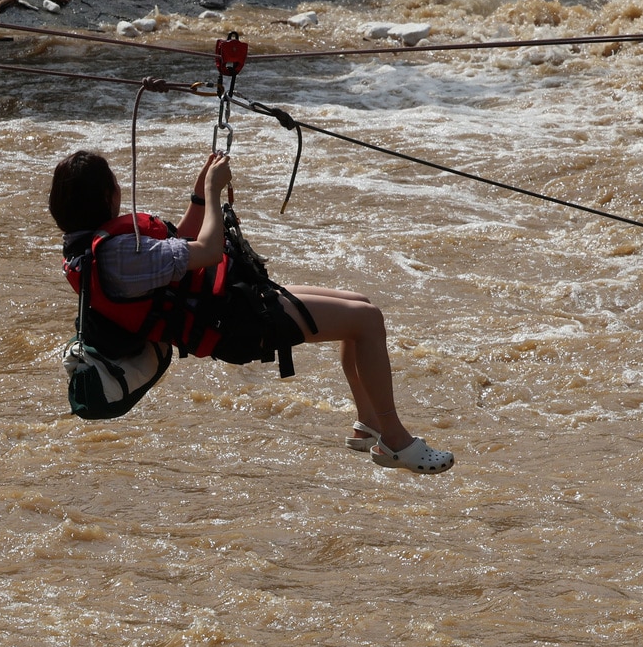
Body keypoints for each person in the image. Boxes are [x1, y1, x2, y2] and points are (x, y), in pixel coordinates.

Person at [47, 149, 454, 474]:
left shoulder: (96, 248)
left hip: (232, 302)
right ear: (108, 197)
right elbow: (208, 250)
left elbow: (183, 241)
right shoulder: (117, 255)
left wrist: (199, 194)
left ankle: (368, 424)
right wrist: (213, 191)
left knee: (361, 306)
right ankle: (395, 441)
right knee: (366, 321)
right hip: (234, 324)